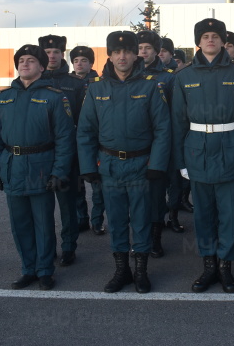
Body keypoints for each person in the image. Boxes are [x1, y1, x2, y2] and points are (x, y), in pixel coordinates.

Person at [76, 31, 171, 293]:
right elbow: (85, 131)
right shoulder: (96, 89)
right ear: (109, 55)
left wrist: (157, 165)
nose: (122, 56)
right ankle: (122, 271)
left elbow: (163, 129)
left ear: (135, 54)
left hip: (141, 165)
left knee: (141, 219)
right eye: (117, 52)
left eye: (127, 51)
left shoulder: (151, 87)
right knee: (116, 220)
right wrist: (87, 167)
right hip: (109, 166)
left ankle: (141, 271)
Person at [171, 18, 234, 293]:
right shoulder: (184, 76)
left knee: (230, 213)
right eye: (205, 36)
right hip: (197, 150)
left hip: (230, 148)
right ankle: (209, 266)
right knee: (204, 214)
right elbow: (177, 122)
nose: (210, 40)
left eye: (215, 36)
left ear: (223, 41)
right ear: (198, 42)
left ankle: (226, 267)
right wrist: (181, 161)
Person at [0, 45, 76, 290]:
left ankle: (45, 270)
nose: (24, 64)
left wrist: (59, 171)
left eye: (31, 61)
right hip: (12, 167)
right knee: (20, 224)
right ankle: (28, 268)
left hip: (41, 167)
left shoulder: (54, 97)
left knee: (43, 223)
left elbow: (65, 139)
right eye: (21, 60)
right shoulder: (4, 97)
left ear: (41, 67)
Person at [38, 34, 85, 266]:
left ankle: (69, 247)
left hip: (69, 153)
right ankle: (47, 248)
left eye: (56, 52)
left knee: (68, 203)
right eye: (47, 53)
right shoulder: (33, 82)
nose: (52, 56)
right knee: (42, 205)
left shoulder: (76, 84)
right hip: (40, 154)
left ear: (62, 54)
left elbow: (85, 121)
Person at [136, 29, 177, 255]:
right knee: (135, 196)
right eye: (140, 48)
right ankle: (139, 238)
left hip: (158, 146)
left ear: (157, 52)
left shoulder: (168, 78)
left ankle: (155, 237)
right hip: (133, 147)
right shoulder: (126, 75)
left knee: (155, 195)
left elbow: (174, 115)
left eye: (148, 48)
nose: (143, 52)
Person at [70, 45, 106, 236]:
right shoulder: (68, 82)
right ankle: (81, 218)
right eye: (76, 60)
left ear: (91, 63)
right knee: (77, 184)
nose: (79, 64)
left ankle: (97, 220)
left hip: (95, 139)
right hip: (75, 139)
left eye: (84, 60)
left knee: (98, 185)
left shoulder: (99, 82)